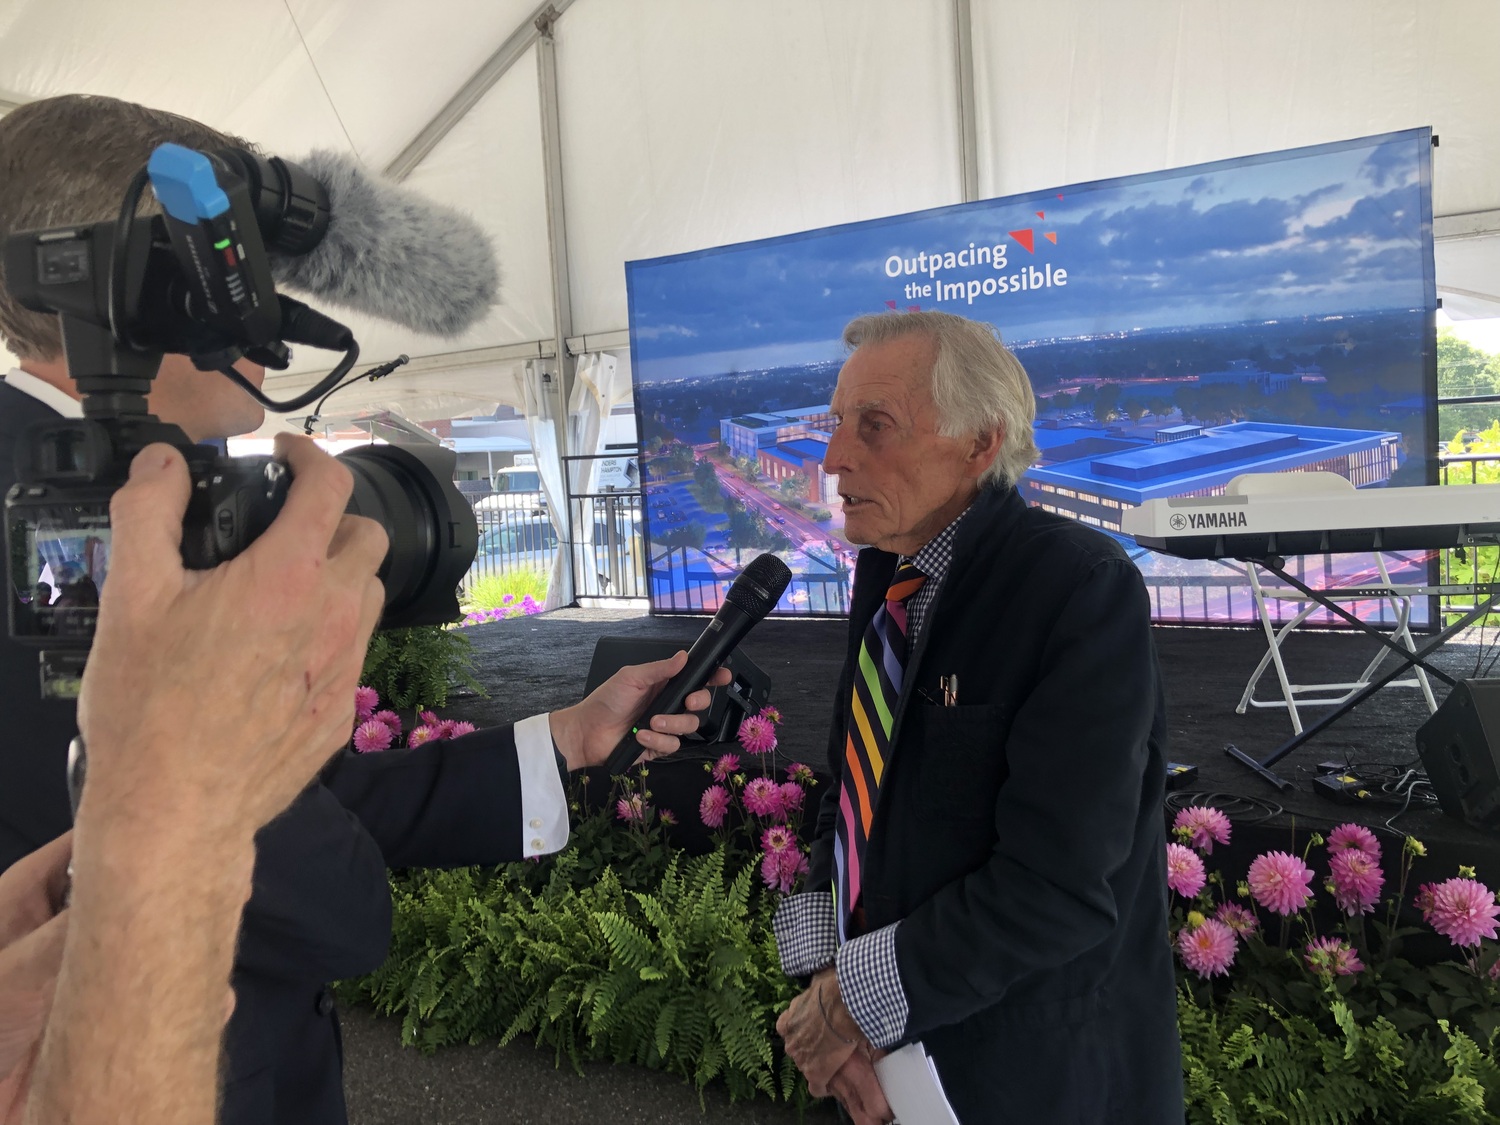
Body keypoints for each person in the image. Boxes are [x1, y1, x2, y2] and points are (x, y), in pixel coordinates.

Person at [0, 93, 727, 1125]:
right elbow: (333, 912)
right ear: (148, 282)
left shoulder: (105, 491)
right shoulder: (70, 534)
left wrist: (564, 739)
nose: (270, 325)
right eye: (239, 270)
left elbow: (285, 800)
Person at [773, 311, 1180, 1124]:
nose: (833, 458)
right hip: (878, 1068)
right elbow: (848, 792)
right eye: (836, 424)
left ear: (979, 443)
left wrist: (849, 1006)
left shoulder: (1078, 591)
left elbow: (1056, 887)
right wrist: (821, 978)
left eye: (873, 427)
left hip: (1021, 1079)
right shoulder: (885, 571)